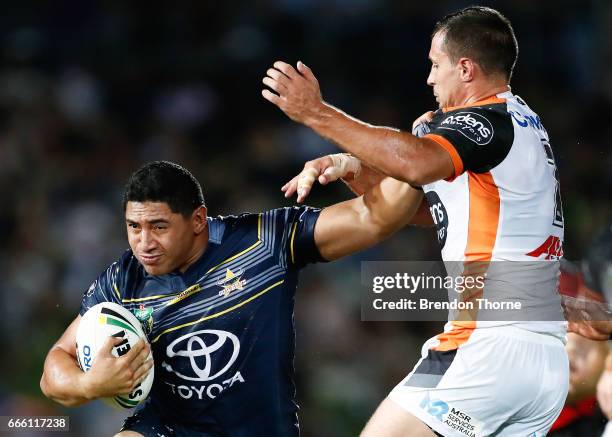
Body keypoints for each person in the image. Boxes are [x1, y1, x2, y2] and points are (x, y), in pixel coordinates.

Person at [264, 6, 569, 436]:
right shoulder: (524, 125)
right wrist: (350, 166)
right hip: (541, 359)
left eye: (435, 64)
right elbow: (429, 211)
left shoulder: (486, 120)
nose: (429, 78)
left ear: (465, 68)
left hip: (487, 343)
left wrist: (316, 113)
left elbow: (416, 163)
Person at [39, 160, 424, 436]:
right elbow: (55, 366)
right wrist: (90, 385)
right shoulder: (124, 282)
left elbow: (376, 218)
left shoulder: (264, 241)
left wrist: (414, 152)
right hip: (169, 429)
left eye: (158, 227)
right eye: (133, 227)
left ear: (197, 220)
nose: (144, 244)